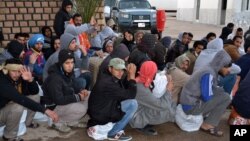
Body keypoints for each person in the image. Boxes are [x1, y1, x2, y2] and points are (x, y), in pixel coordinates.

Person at [0, 58, 58, 141]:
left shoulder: (19, 77)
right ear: (6, 70)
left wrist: (30, 80)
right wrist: (45, 110)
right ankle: (9, 136)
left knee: (35, 97)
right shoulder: (2, 80)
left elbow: (35, 92)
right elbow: (20, 98)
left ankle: (28, 122)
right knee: (17, 107)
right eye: (13, 71)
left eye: (19, 71)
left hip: (7, 104)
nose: (16, 74)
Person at [180, 50, 232, 137]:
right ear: (221, 65)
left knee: (222, 94)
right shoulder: (209, 73)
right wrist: (218, 96)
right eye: (227, 68)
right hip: (191, 107)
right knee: (226, 98)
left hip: (189, 102)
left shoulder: (209, 68)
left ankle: (206, 117)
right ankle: (207, 125)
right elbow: (207, 96)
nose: (229, 71)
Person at [87, 58, 137, 141]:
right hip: (100, 116)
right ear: (110, 68)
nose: (120, 73)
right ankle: (113, 133)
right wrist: (132, 76)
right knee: (133, 104)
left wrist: (128, 77)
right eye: (117, 70)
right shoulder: (108, 82)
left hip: (99, 111)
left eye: (122, 70)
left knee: (127, 101)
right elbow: (131, 95)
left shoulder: (108, 76)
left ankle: (111, 127)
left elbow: (123, 91)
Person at [42, 49, 89, 133]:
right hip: (54, 107)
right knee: (81, 109)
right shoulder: (55, 78)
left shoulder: (67, 72)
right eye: (67, 63)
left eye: (72, 62)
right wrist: (77, 97)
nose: (70, 65)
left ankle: (71, 120)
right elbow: (58, 100)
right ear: (61, 63)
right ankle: (57, 122)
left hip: (65, 101)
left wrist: (81, 90)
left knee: (89, 95)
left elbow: (73, 85)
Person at [130, 61, 176, 135]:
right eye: (154, 73)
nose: (155, 74)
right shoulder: (141, 88)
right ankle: (140, 125)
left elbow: (158, 72)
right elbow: (162, 105)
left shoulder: (142, 78)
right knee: (166, 109)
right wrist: (168, 90)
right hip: (135, 117)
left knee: (168, 103)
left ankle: (145, 121)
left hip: (138, 110)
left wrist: (166, 75)